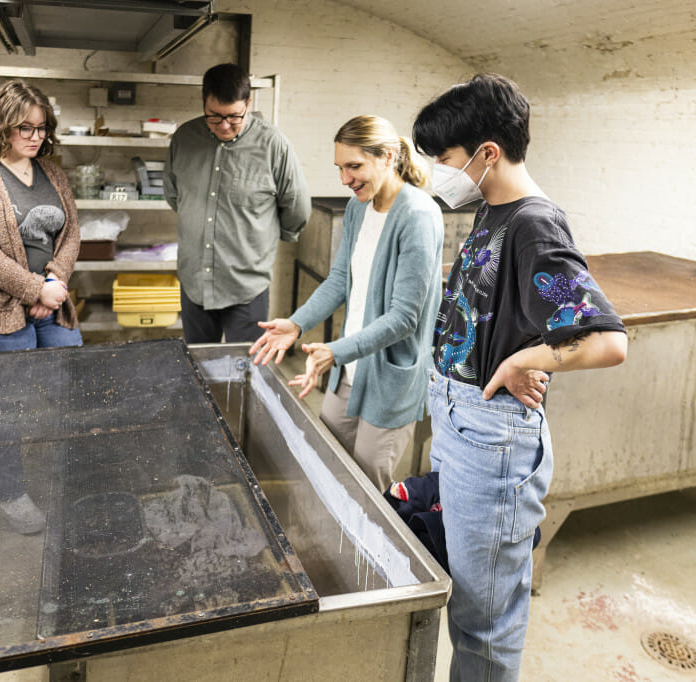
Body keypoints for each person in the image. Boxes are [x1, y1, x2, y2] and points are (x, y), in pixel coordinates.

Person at [412, 74, 629, 681]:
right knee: (468, 602)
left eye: (445, 158)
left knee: (484, 621)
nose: (437, 171)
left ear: (487, 153)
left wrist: (524, 361)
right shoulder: (489, 209)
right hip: (462, 422)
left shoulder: (534, 224)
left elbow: (607, 341)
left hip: (492, 443)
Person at [249, 115, 444, 492]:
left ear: (387, 156)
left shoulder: (418, 216)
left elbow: (404, 318)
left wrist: (334, 352)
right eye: (340, 168)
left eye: (354, 166)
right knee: (326, 466)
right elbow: (340, 280)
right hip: (348, 370)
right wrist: (296, 323)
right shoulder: (358, 208)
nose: (345, 179)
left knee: (367, 492)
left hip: (388, 378)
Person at [0, 79, 81, 534]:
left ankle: (59, 476)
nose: (35, 136)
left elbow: (71, 234)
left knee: (74, 376)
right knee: (7, 407)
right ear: (0, 124)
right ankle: (11, 492)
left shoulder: (53, 172)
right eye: (25, 127)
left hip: (47, 297)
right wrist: (33, 291)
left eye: (42, 128)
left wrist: (55, 282)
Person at [164, 62, 312, 343]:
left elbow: (297, 206)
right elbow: (174, 194)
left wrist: (264, 239)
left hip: (246, 285)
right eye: (214, 116)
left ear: (248, 103)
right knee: (199, 366)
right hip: (194, 281)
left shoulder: (273, 145)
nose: (224, 125)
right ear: (203, 102)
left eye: (234, 116)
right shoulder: (184, 138)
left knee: (244, 371)